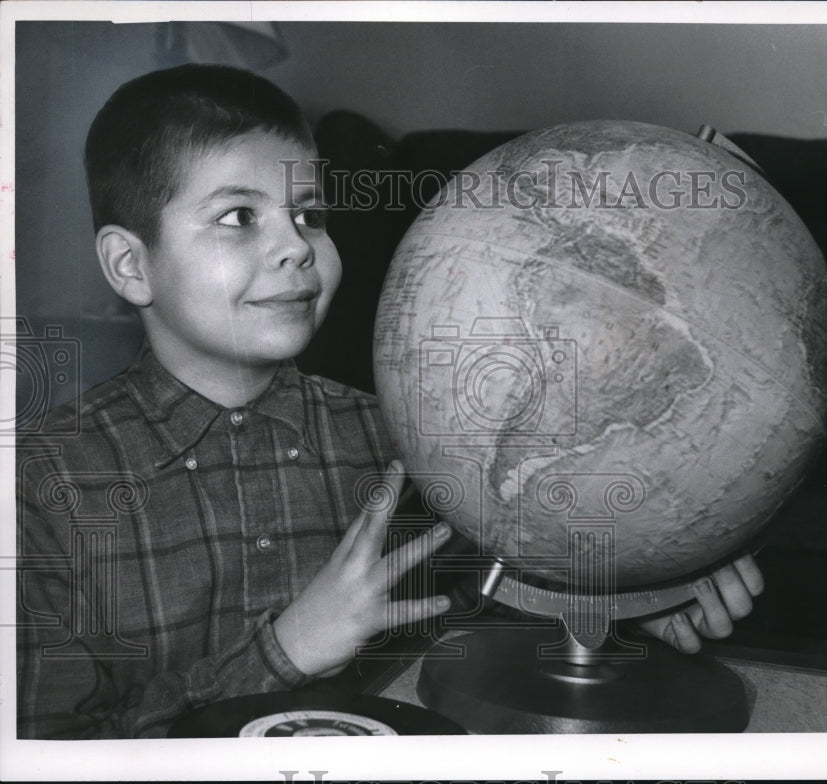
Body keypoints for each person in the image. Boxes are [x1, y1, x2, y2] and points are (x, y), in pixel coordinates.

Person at [16, 63, 763, 739]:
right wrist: (285, 654)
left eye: (308, 213)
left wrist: (634, 601)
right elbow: (50, 751)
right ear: (129, 265)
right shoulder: (44, 482)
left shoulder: (398, 431)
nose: (297, 246)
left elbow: (498, 609)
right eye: (240, 217)